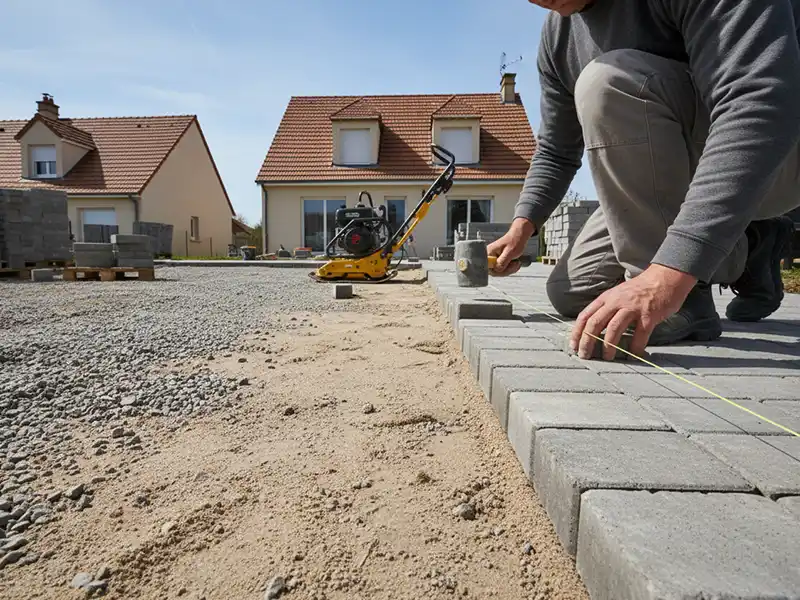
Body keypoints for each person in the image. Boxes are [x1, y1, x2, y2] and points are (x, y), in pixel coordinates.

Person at [488, 0, 800, 361]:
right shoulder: (558, 37)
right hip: (682, 168)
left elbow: (759, 103)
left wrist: (668, 278)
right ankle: (748, 248)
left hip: (777, 155)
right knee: (572, 292)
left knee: (607, 82)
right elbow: (557, 150)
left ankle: (688, 302)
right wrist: (522, 226)